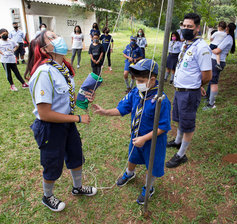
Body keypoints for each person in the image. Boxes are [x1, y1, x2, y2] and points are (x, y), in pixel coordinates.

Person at [25, 30, 97, 212]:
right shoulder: (43, 73)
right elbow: (45, 114)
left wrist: (83, 96)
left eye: (56, 34)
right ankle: (47, 197)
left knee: (76, 155)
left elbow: (65, 97)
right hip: (50, 128)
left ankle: (77, 187)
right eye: (52, 37)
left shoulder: (62, 68)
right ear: (44, 48)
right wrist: (78, 118)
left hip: (67, 123)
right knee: (52, 164)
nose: (58, 38)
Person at [92, 59, 171, 205]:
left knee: (152, 164)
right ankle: (129, 173)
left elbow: (163, 127)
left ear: (152, 79)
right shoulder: (136, 92)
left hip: (153, 141)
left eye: (141, 80)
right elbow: (122, 108)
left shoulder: (161, 100)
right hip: (136, 137)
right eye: (136, 80)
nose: (137, 83)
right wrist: (105, 112)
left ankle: (149, 187)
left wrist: (144, 139)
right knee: (132, 156)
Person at [165, 13, 212, 168]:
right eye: (184, 26)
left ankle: (181, 154)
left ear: (197, 28)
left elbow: (207, 75)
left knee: (188, 123)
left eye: (189, 26)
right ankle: (178, 141)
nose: (185, 29)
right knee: (179, 118)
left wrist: (198, 86)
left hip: (189, 93)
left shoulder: (202, 48)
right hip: (179, 90)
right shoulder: (186, 44)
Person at [203, 23, 236, 110]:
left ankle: (211, 104)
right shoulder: (227, 37)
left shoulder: (228, 38)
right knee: (212, 80)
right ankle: (208, 99)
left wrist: (209, 48)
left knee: (214, 82)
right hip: (215, 60)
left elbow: (217, 51)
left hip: (217, 62)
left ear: (228, 28)